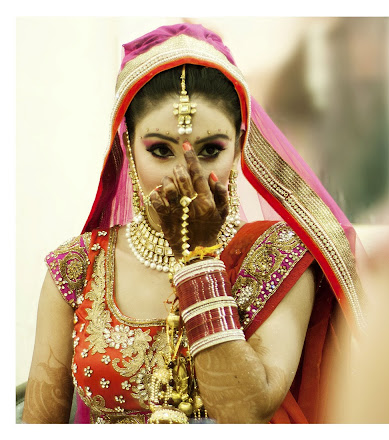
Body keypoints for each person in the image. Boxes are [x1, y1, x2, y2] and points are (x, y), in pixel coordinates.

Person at [21, 23, 366, 424]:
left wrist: (198, 259)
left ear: (239, 148)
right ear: (129, 148)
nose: (187, 174)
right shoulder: (78, 267)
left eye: (210, 150)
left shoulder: (277, 256)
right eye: (160, 150)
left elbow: (244, 412)